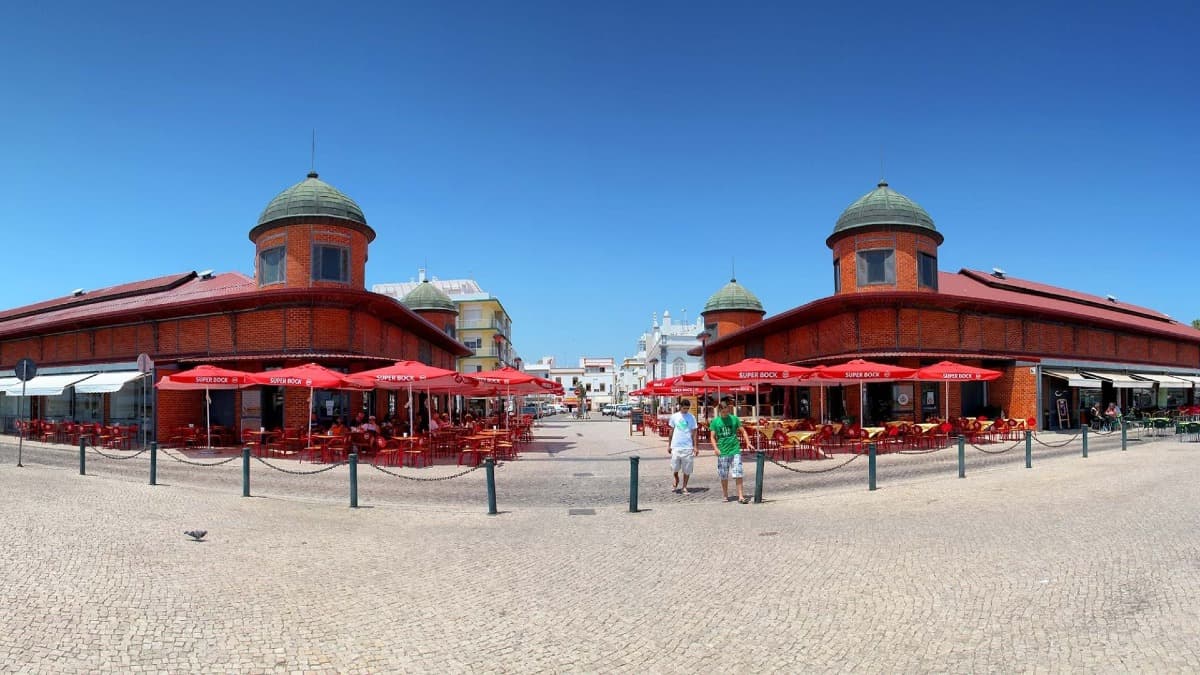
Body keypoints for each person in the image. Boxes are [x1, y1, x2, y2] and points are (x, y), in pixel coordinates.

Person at [709, 399, 752, 503]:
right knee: (724, 474)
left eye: (727, 411)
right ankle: (725, 495)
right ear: (719, 411)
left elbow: (743, 431)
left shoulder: (734, 419)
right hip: (722, 451)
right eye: (723, 412)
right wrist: (715, 448)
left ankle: (741, 496)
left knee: (738, 472)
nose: (725, 413)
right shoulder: (715, 422)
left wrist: (748, 442)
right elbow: (712, 437)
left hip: (735, 449)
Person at [667, 399, 699, 494]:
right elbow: (671, 431)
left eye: (687, 408)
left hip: (687, 446)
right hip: (676, 445)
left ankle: (684, 486)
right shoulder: (674, 416)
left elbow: (694, 432)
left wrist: (695, 446)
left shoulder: (691, 417)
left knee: (687, 469)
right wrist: (669, 445)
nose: (686, 410)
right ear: (680, 406)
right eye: (684, 408)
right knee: (675, 468)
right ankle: (676, 478)